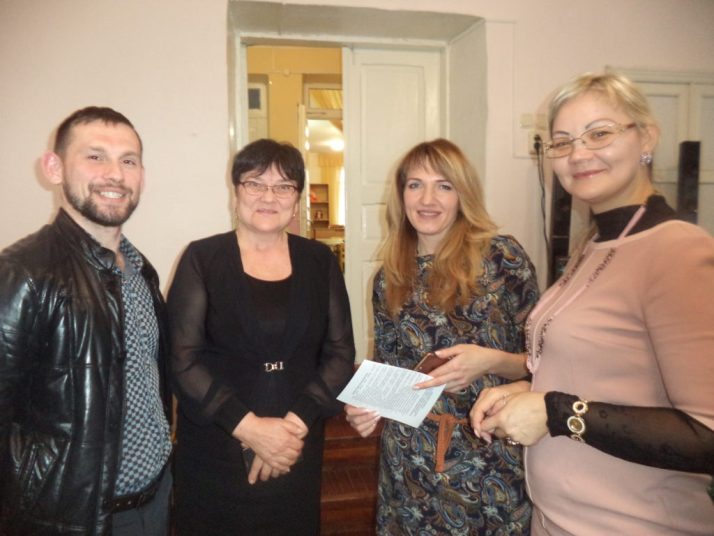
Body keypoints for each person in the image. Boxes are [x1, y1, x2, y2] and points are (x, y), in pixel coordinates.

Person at [471, 72, 714, 535]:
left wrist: (556, 412)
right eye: (563, 142)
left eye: (599, 133)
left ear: (647, 137)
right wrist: (525, 391)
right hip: (558, 517)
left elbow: (706, 434)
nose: (579, 154)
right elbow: (609, 375)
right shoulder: (594, 244)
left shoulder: (678, 250)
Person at [345, 139, 539, 535]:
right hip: (409, 459)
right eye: (415, 185)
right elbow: (389, 369)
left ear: (462, 194)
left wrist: (489, 360)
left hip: (489, 454)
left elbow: (544, 363)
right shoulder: (388, 277)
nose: (427, 199)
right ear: (401, 195)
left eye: (444, 186)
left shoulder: (503, 258)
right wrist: (365, 407)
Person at [167, 138, 355, 535]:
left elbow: (340, 353)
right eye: (255, 183)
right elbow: (182, 358)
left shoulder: (320, 261)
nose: (269, 197)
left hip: (295, 448)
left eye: (284, 186)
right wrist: (249, 428)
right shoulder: (202, 258)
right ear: (236, 190)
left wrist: (292, 428)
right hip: (217, 449)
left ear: (297, 198)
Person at [0, 107, 173, 535]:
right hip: (74, 519)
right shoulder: (23, 274)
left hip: (155, 499)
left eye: (128, 160)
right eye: (95, 156)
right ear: (54, 167)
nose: (115, 174)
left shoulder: (141, 271)